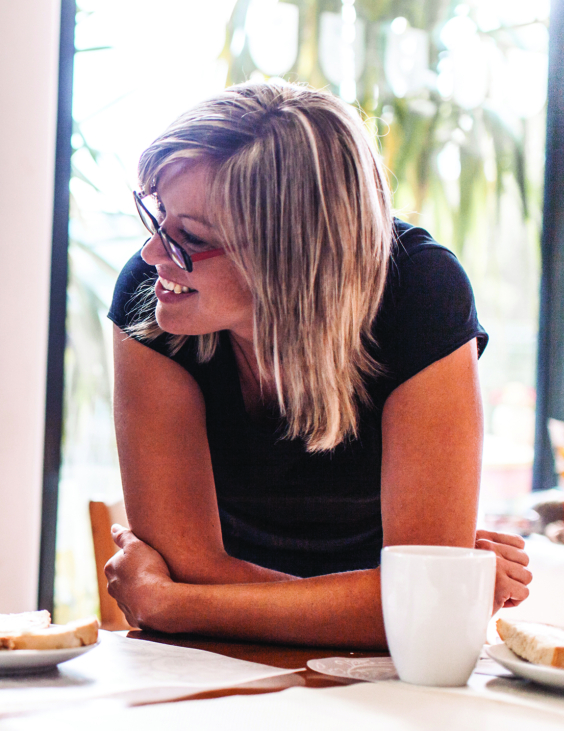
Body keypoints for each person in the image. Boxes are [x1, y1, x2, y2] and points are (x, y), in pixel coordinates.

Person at [102, 81, 531, 648]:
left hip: (366, 675)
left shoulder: (419, 293)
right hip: (215, 655)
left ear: (288, 256)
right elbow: (423, 604)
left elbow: (426, 609)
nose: (153, 253)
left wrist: (176, 604)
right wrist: (393, 601)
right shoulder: (154, 296)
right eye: (156, 216)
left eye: (189, 237)